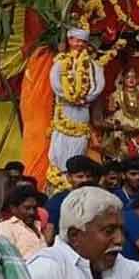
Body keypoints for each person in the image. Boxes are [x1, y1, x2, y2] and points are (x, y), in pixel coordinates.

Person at [47, 28, 106, 190]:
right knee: (58, 144)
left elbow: (98, 85)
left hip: (82, 110)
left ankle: (73, 177)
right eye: (75, 41)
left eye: (82, 42)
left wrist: (84, 98)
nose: (79, 45)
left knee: (79, 143)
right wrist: (70, 97)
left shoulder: (93, 65)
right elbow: (55, 82)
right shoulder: (60, 62)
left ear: (87, 44)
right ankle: (58, 180)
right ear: (69, 41)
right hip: (64, 109)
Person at [44, 155, 100, 232]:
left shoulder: (99, 198)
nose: (85, 180)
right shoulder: (58, 201)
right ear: (69, 178)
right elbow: (50, 228)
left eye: (88, 176)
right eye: (80, 177)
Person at [0, 185, 49, 261]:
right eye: (27, 208)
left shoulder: (37, 226)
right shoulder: (6, 228)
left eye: (34, 208)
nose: (32, 212)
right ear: (13, 208)